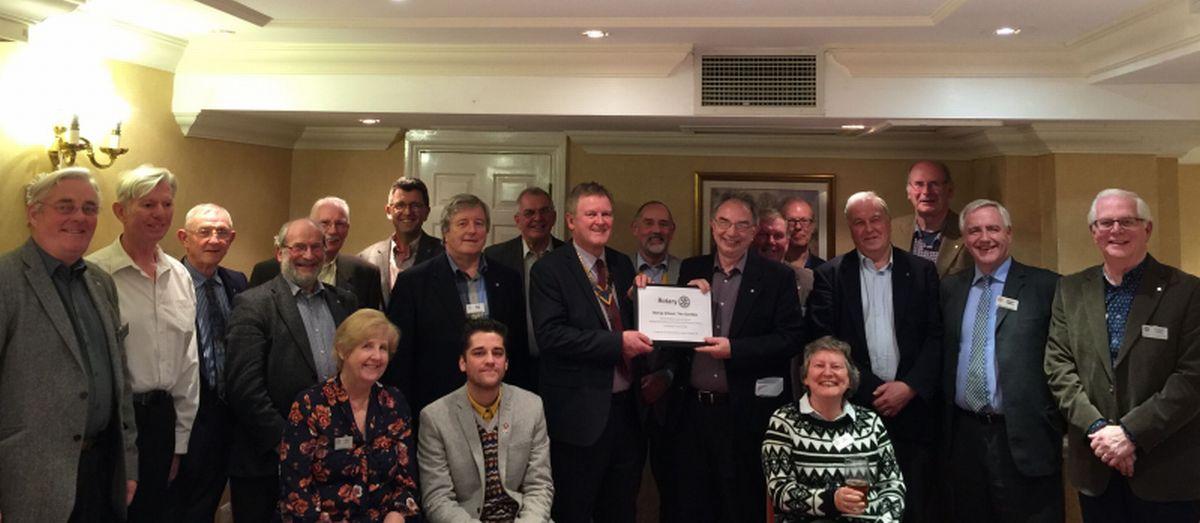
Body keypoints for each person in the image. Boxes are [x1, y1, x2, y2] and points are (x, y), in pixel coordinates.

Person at [1044, 188, 1200, 522]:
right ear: (1093, 232)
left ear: (1148, 229)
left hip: (1165, 467)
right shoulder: (1070, 290)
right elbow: (1059, 367)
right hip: (1095, 464)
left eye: (1127, 221)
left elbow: (1192, 377)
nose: (1116, 230)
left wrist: (1131, 433)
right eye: (1106, 222)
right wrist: (1099, 429)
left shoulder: (1187, 291)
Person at [0, 168, 138, 522]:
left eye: (89, 208)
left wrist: (128, 463)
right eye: (65, 206)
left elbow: (120, 379)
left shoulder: (100, 282)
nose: (79, 217)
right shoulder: (6, 281)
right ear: (34, 214)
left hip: (102, 472)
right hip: (30, 481)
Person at [806, 191, 941, 523]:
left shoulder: (922, 271)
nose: (869, 229)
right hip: (856, 411)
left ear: (889, 222)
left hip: (914, 412)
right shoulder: (832, 275)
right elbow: (824, 341)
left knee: (913, 503)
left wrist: (909, 387)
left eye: (875, 219)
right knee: (860, 502)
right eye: (859, 222)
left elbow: (937, 336)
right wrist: (872, 389)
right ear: (850, 229)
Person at [671, 192, 806, 523]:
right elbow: (672, 336)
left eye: (742, 225)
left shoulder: (777, 277)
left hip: (746, 414)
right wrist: (676, 298)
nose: (731, 232)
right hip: (692, 413)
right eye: (724, 223)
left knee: (742, 506)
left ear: (753, 230)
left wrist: (735, 350)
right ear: (713, 226)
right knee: (694, 506)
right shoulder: (692, 268)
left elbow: (790, 339)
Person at [529, 182, 652, 522]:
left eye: (606, 214)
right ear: (571, 221)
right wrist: (617, 344)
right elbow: (551, 336)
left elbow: (632, 324)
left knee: (622, 507)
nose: (600, 221)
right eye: (591, 214)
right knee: (575, 508)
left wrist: (647, 301)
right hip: (579, 417)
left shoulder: (622, 264)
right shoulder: (549, 270)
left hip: (627, 412)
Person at [225, 219, 358, 522]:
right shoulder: (253, 304)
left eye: (316, 247)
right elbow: (245, 389)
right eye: (298, 247)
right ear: (280, 252)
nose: (308, 255)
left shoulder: (344, 302)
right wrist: (290, 443)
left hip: (332, 456)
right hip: (267, 461)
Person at [88, 164, 199, 523]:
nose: (160, 214)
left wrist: (179, 443)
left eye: (166, 204)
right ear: (121, 211)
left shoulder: (179, 275)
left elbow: (188, 365)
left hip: (161, 422)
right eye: (148, 205)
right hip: (112, 424)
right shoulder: (94, 274)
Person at [941, 199, 1064, 522]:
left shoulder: (1045, 286)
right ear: (965, 239)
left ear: (1009, 234)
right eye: (975, 230)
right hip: (965, 437)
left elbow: (1065, 359)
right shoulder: (950, 289)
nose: (984, 238)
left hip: (1025, 437)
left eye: (993, 229)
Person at [386, 193, 528, 416]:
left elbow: (517, 349)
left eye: (479, 223)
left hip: (498, 405)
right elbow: (401, 359)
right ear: (445, 232)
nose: (472, 230)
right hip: (435, 406)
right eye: (463, 223)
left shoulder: (508, 279)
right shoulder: (413, 283)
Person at [279, 308, 420, 522]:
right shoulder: (311, 404)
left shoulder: (393, 402)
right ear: (343, 351)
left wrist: (397, 514)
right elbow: (296, 493)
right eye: (367, 346)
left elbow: (406, 481)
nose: (377, 356)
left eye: (383, 348)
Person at [418, 318, 554, 522]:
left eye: (498, 353)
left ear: (506, 363)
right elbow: (438, 499)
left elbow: (540, 485)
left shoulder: (531, 406)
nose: (490, 360)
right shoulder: (435, 417)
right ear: (462, 363)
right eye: (479, 353)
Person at [762, 336, 905, 523]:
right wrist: (831, 500)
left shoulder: (871, 422)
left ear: (850, 379)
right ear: (805, 377)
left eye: (837, 367)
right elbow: (780, 490)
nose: (828, 373)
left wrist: (885, 521)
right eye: (819, 366)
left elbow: (893, 485)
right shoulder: (784, 421)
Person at [166, 203, 249, 522]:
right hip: (181, 418)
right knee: (173, 507)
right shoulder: (166, 279)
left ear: (231, 238)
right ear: (184, 238)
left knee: (206, 505)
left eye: (222, 233)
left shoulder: (238, 282)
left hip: (225, 417)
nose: (214, 240)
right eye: (205, 232)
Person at [627, 199, 683, 522]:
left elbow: (694, 341)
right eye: (648, 223)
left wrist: (668, 375)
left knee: (675, 487)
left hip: (671, 398)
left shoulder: (688, 272)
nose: (656, 230)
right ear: (635, 229)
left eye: (663, 224)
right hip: (624, 400)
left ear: (673, 231)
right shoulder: (617, 269)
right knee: (622, 487)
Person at [484, 186, 564, 391]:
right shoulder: (494, 257)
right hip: (511, 367)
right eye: (529, 213)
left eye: (544, 211)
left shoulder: (570, 256)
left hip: (561, 366)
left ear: (554, 217)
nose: (538, 218)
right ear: (517, 220)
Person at [251, 196, 383, 310]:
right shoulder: (266, 272)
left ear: (348, 228)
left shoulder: (366, 273)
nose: (333, 231)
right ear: (310, 224)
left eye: (340, 224)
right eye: (325, 223)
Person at [360, 177, 445, 307]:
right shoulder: (367, 257)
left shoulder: (443, 254)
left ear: (426, 212)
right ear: (388, 211)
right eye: (400, 205)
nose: (407, 212)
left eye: (415, 205)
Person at [891, 160, 971, 278]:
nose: (926, 191)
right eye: (919, 184)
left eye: (934, 184)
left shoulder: (969, 233)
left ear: (949, 191)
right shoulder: (892, 230)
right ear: (908, 192)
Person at [781, 196, 825, 270]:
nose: (798, 227)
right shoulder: (769, 268)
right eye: (791, 220)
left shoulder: (824, 270)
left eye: (804, 221)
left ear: (812, 226)